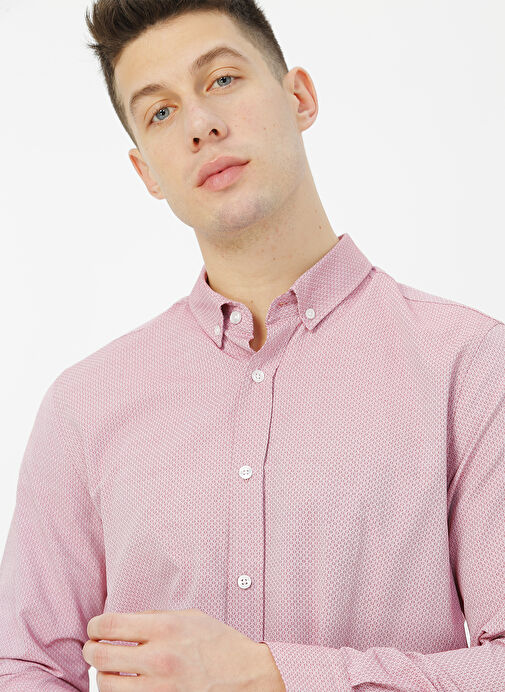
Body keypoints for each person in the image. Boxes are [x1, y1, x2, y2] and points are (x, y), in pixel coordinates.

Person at [0, 1, 504, 690]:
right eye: (160, 112)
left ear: (300, 97)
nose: (201, 125)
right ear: (146, 172)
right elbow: (23, 666)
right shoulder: (84, 407)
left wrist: (272, 675)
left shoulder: (469, 365)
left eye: (222, 79)